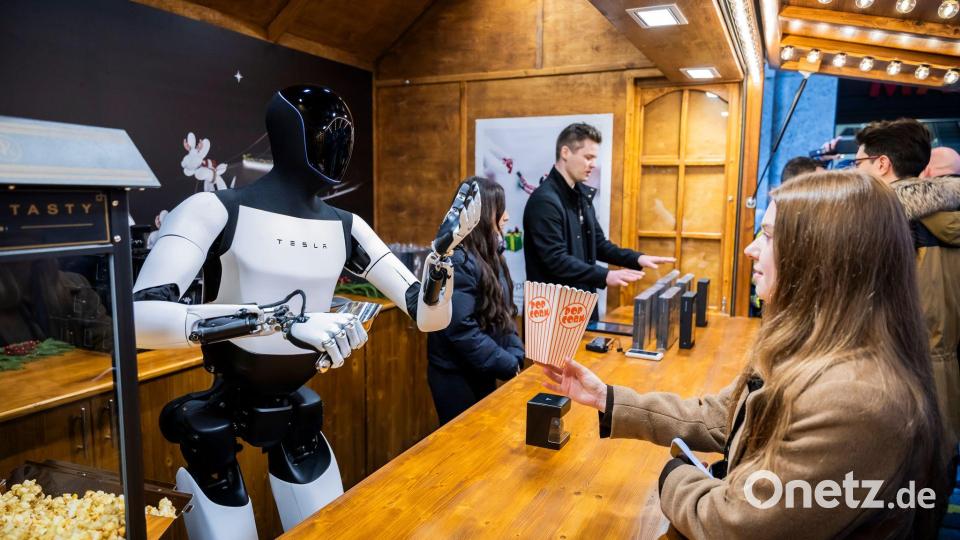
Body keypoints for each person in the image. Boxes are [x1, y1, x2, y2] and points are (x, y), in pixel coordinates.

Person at [132, 85, 481, 538]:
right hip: (224, 402)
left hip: (296, 407)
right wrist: (283, 321)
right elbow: (140, 317)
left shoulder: (346, 226)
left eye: (344, 132)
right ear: (288, 132)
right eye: (328, 131)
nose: (339, 142)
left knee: (327, 529)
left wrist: (441, 259)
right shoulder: (214, 210)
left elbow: (429, 316)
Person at [542, 170, 948, 538]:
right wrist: (608, 398)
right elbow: (726, 416)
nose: (751, 250)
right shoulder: (811, 348)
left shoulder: (854, 401)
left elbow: (732, 524)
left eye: (768, 236)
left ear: (821, 257)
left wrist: (675, 476)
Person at [854, 118, 960, 447]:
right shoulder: (948, 216)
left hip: (899, 376)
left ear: (882, 164)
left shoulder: (886, 223)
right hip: (946, 376)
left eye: (858, 163)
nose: (855, 172)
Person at [523, 123, 674, 318]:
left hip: (580, 307)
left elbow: (599, 244)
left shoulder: (581, 195)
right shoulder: (544, 201)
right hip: (550, 315)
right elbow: (555, 259)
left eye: (594, 158)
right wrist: (606, 275)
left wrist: (636, 258)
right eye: (588, 157)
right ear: (565, 152)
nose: (593, 164)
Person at [427, 178, 524, 425]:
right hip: (456, 376)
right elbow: (461, 329)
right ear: (481, 214)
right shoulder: (456, 261)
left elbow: (503, 312)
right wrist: (505, 362)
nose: (506, 216)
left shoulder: (491, 255)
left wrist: (515, 353)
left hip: (482, 368)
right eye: (500, 209)